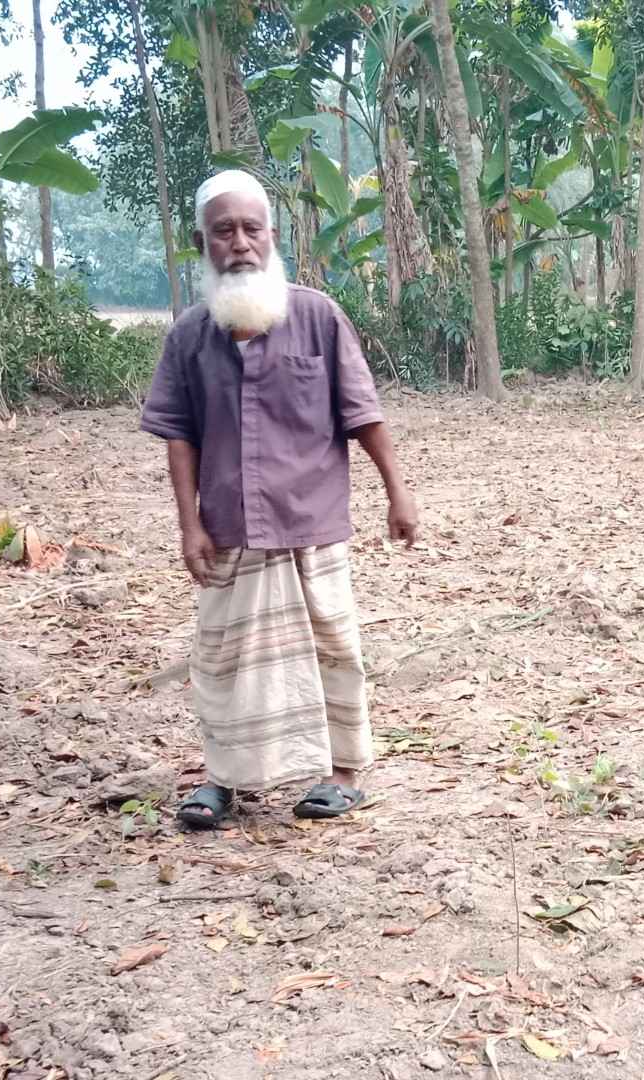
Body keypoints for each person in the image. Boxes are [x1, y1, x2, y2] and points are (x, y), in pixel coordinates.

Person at [139, 169, 420, 830]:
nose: (238, 243)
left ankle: (343, 773)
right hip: (230, 524)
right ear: (203, 243)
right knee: (224, 655)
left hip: (311, 521)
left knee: (333, 646)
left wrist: (397, 494)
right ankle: (225, 782)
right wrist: (189, 527)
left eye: (250, 228)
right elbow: (178, 437)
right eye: (223, 232)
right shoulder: (188, 336)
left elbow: (363, 414)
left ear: (271, 235)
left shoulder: (318, 316)